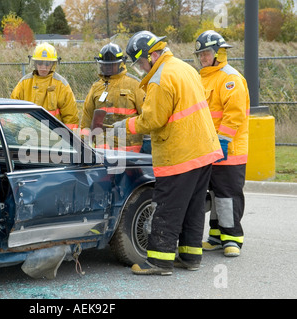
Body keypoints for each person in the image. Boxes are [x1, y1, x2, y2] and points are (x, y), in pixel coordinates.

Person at [113, 31, 223, 275]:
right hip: (203, 150)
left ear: (152, 55)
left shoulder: (160, 78)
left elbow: (153, 119)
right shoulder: (184, 68)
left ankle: (159, 261)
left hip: (180, 154)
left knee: (168, 206)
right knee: (194, 207)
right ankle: (190, 257)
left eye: (141, 62)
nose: (141, 68)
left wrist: (126, 125)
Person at [194, 30, 250, 257]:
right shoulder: (202, 77)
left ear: (218, 52)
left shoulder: (230, 78)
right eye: (200, 54)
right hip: (209, 148)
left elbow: (234, 115)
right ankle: (217, 235)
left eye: (206, 53)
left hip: (229, 150)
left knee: (227, 196)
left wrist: (223, 142)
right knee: (216, 194)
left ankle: (233, 239)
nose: (202, 58)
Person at [80, 43, 145, 152]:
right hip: (103, 152)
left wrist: (148, 144)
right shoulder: (96, 87)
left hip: (131, 152)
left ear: (121, 64)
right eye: (105, 65)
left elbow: (146, 116)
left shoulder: (135, 85)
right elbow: (87, 118)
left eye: (112, 65)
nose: (108, 68)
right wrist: (83, 143)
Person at [11, 42, 79, 131]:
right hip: (27, 136)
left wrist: (69, 140)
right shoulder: (24, 83)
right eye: (40, 63)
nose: (43, 67)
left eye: (47, 64)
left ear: (52, 64)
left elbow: (70, 116)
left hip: (53, 138)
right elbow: (13, 110)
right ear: (35, 63)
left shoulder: (61, 85)